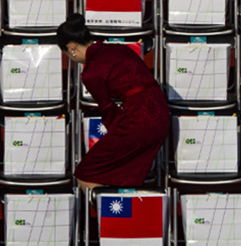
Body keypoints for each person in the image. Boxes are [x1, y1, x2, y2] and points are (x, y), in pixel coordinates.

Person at [56, 14, 170, 189]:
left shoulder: (91, 73)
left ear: (72, 48)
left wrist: (117, 135)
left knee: (85, 173)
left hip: (139, 121)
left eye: (67, 55)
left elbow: (108, 110)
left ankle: (111, 215)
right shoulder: (119, 49)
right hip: (161, 113)